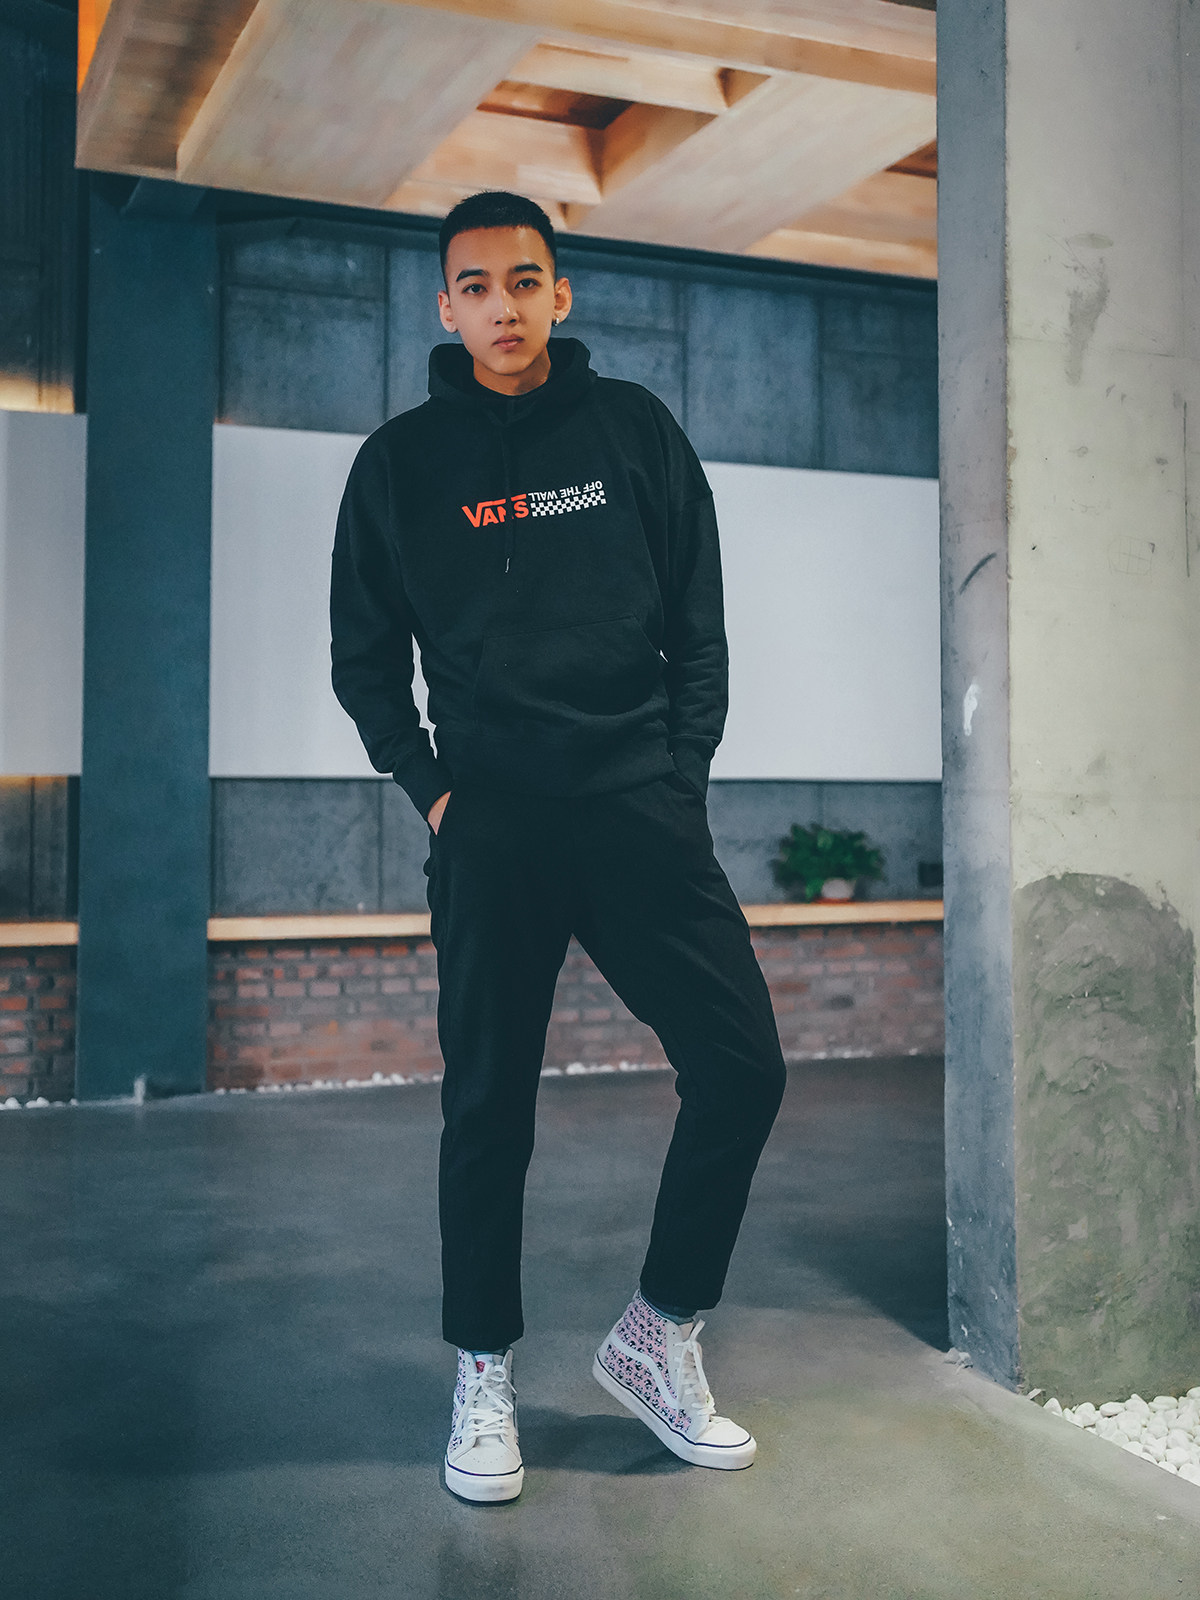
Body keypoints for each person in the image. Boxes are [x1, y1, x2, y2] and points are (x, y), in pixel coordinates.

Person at [330, 191, 786, 1504]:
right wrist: (437, 797)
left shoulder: (635, 431)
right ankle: (483, 1371)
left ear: (560, 294)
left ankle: (659, 1333)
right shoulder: (400, 465)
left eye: (524, 281)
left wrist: (677, 782)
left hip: (637, 808)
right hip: (493, 823)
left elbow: (698, 630)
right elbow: (367, 663)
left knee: (741, 1068)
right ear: (446, 306)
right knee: (488, 1107)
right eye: (476, 286)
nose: (504, 307)